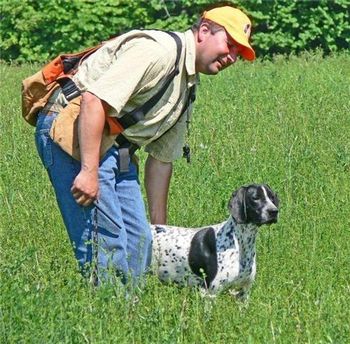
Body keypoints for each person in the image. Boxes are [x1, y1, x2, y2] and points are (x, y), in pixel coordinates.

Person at [34, 5, 255, 286]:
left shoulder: (187, 86)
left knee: (141, 242)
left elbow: (162, 160)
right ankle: (107, 317)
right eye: (230, 45)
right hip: (73, 130)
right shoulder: (159, 51)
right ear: (203, 31)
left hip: (118, 148)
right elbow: (93, 101)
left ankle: (126, 317)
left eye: (239, 53)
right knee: (107, 242)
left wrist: (159, 230)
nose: (232, 57)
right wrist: (89, 171)